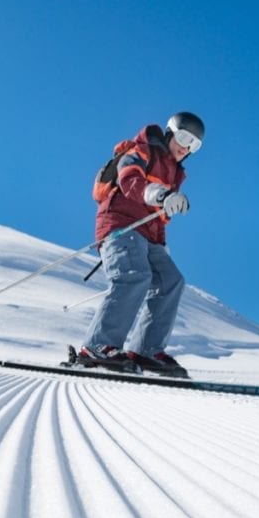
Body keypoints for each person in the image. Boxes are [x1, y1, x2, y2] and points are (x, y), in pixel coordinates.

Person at [76, 111, 205, 377]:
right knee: (134, 276)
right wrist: (160, 194)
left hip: (147, 235)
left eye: (193, 145)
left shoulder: (175, 175)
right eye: (183, 138)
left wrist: (162, 246)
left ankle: (146, 350)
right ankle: (98, 346)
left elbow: (159, 219)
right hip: (119, 225)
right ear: (169, 133)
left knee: (171, 281)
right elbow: (129, 180)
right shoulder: (142, 150)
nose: (185, 147)